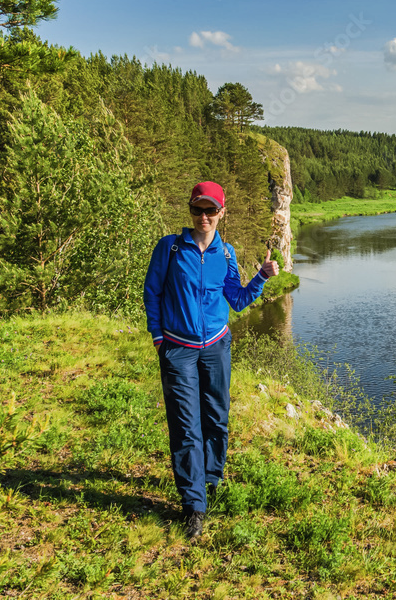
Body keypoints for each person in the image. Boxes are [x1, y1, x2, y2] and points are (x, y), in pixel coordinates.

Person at [143, 181, 279, 538]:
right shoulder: (170, 248)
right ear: (190, 210)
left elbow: (236, 299)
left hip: (217, 346)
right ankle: (194, 506)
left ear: (222, 212)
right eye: (197, 210)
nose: (203, 217)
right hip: (178, 348)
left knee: (216, 417)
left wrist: (261, 279)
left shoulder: (227, 254)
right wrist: (158, 337)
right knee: (186, 426)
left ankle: (212, 478)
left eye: (210, 210)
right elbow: (152, 292)